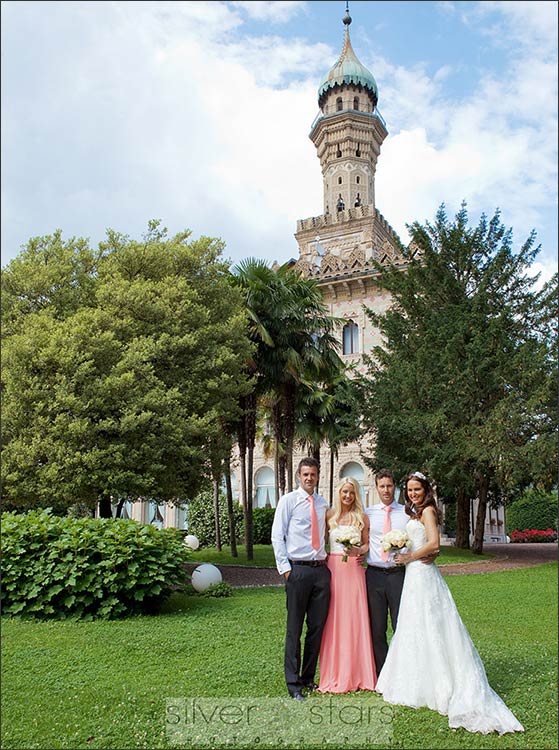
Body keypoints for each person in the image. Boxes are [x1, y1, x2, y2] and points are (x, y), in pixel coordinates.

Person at [376, 471, 524, 735]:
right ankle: (416, 678)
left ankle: (441, 684)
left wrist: (409, 557)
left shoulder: (429, 511)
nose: (413, 494)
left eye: (417, 490)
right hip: (413, 577)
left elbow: (434, 544)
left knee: (432, 625)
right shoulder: (415, 513)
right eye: (409, 490)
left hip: (422, 574)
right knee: (413, 625)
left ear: (425, 490)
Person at [364, 469, 438, 675]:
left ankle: (403, 672)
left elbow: (422, 538)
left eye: (389, 486)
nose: (386, 490)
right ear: (376, 488)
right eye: (382, 486)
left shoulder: (407, 513)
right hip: (374, 575)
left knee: (402, 624)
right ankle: (382, 673)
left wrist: (434, 553)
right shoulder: (368, 513)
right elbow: (363, 542)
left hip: (399, 574)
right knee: (377, 628)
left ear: (395, 487)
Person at [271, 457, 331, 701]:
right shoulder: (289, 501)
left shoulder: (322, 503)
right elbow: (277, 536)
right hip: (297, 571)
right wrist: (286, 569)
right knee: (294, 629)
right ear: (298, 476)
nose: (309, 478)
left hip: (320, 572)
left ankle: (307, 678)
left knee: (316, 628)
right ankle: (293, 683)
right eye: (305, 474)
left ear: (318, 477)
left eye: (313, 475)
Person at [317, 477, 376, 693]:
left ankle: (359, 673)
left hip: (354, 570)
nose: (348, 496)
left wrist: (360, 551)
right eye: (344, 492)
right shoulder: (330, 516)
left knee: (355, 617)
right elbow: (319, 540)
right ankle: (334, 672)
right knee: (334, 618)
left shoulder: (362, 517)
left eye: (351, 492)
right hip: (333, 569)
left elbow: (368, 543)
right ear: (339, 493)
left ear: (356, 494)